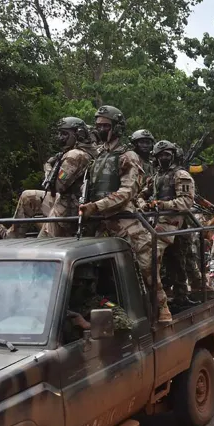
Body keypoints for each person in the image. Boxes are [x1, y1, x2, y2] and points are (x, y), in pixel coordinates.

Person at [78, 106, 171, 323]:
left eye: (105, 126)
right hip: (96, 219)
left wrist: (97, 206)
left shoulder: (128, 156)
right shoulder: (98, 155)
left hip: (123, 218)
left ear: (116, 127)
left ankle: (162, 305)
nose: (100, 129)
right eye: (98, 125)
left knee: (148, 262)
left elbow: (127, 193)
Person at [136, 140, 195, 309]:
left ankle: (181, 296)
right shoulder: (155, 177)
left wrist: (163, 205)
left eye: (167, 155)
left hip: (176, 224)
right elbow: (141, 195)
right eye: (160, 155)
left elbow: (186, 201)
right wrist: (143, 204)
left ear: (173, 156)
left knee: (177, 262)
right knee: (162, 261)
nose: (164, 158)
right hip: (157, 222)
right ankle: (158, 294)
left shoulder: (180, 175)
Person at [38, 117, 97, 238]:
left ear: (78, 134)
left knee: (41, 245)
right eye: (60, 133)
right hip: (70, 207)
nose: (60, 137)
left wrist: (48, 168)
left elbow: (58, 186)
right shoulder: (84, 151)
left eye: (65, 134)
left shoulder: (75, 155)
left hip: (66, 212)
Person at [64, 264, 134, 343]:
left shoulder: (101, 303)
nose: (76, 287)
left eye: (80, 283)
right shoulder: (60, 303)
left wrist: (88, 325)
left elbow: (124, 322)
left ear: (90, 285)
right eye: (73, 283)